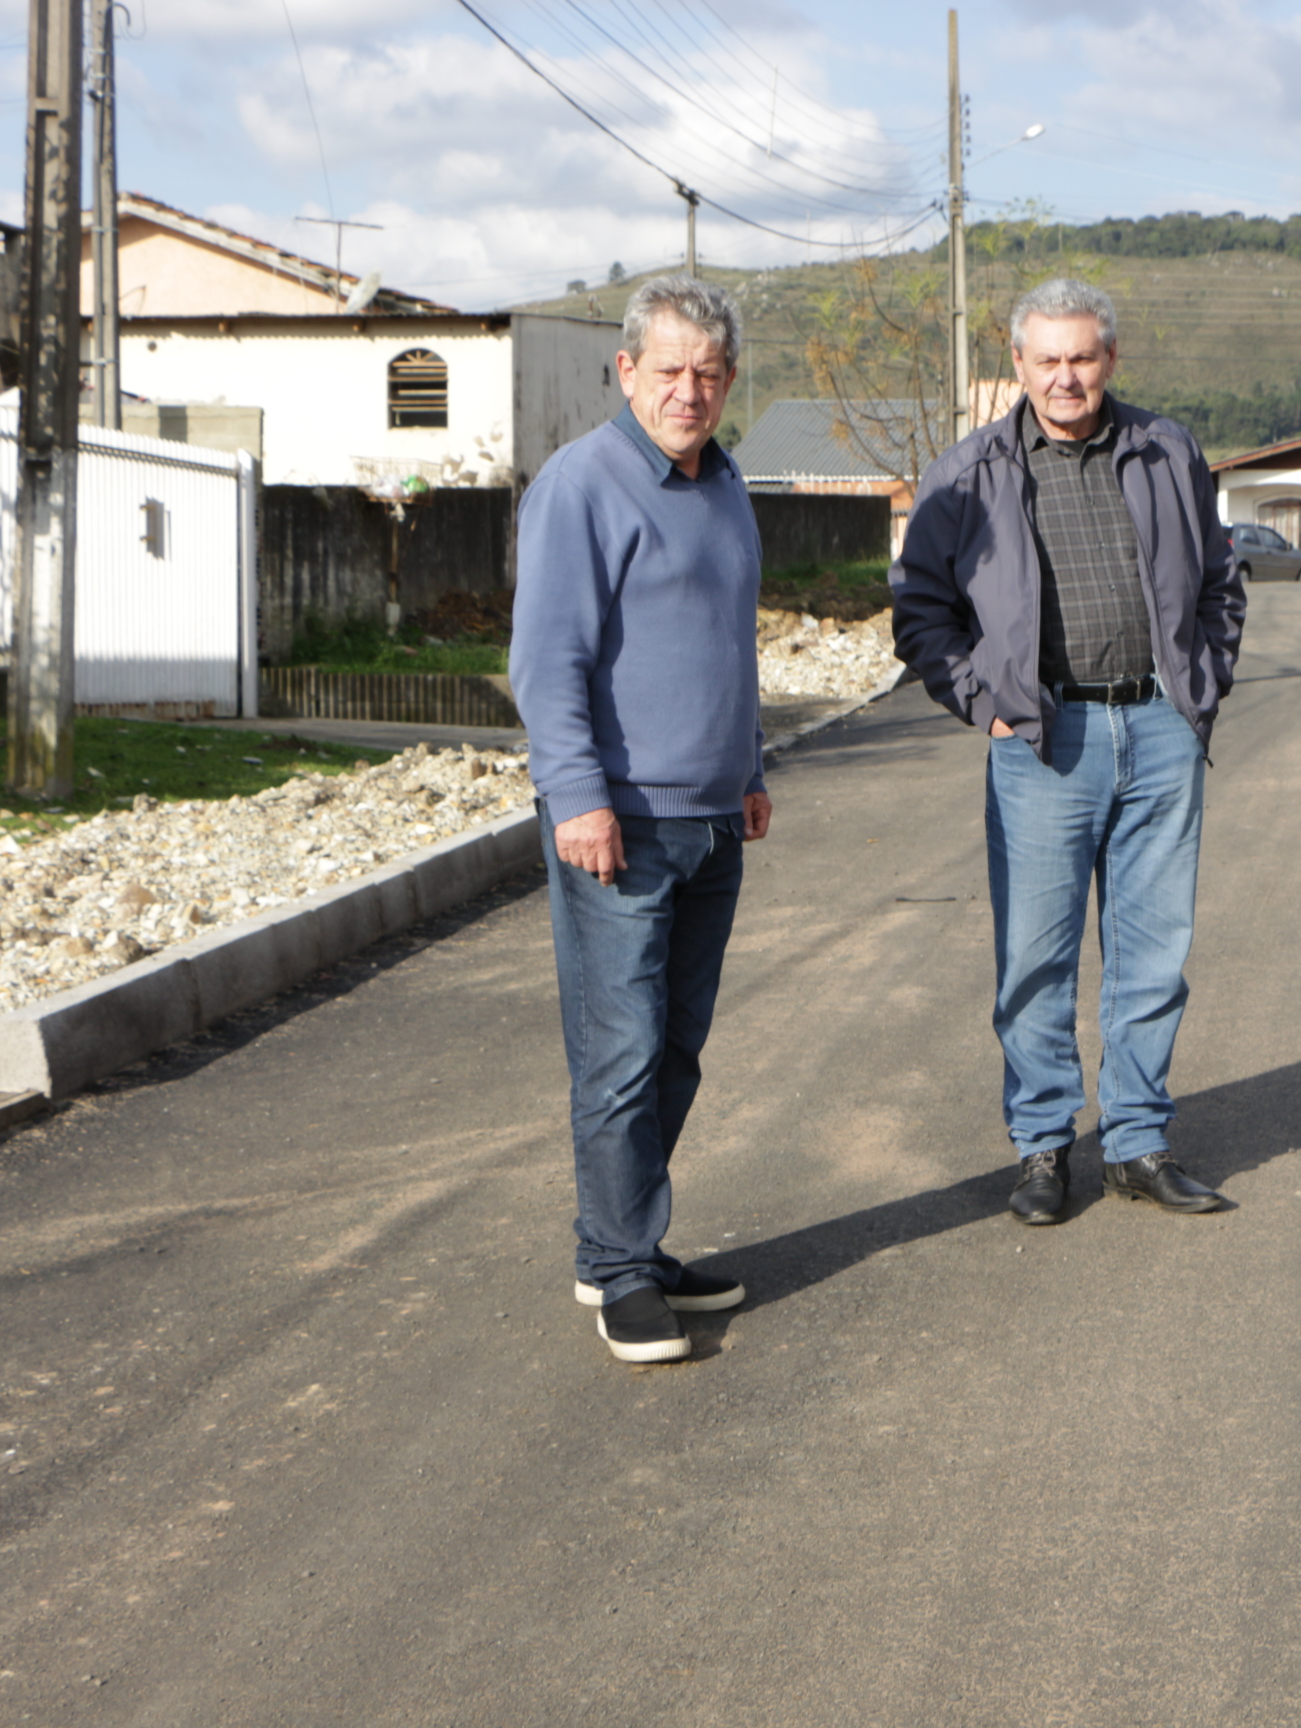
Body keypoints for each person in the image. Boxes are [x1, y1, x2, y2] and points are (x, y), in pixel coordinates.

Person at [891, 278, 1246, 1224]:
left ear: (1111, 360)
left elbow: (1219, 580)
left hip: (1160, 731)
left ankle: (1136, 1142)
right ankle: (1044, 1148)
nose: (1065, 378)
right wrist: (984, 701)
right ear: (1018, 365)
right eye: (1045, 360)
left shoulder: (1167, 450)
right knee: (1035, 960)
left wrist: (1202, 681)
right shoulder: (969, 471)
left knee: (1153, 953)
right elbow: (920, 611)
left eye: (1081, 358)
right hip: (1044, 739)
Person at [510, 276, 770, 1364]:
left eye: (708, 374)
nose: (688, 392)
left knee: (676, 1050)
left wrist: (749, 766)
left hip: (712, 816)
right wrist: (577, 798)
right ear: (626, 372)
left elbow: (728, 644)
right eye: (668, 371)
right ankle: (621, 1269)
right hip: (620, 824)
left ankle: (619, 1240)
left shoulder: (726, 484)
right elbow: (546, 661)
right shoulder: (583, 485)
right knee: (619, 1054)